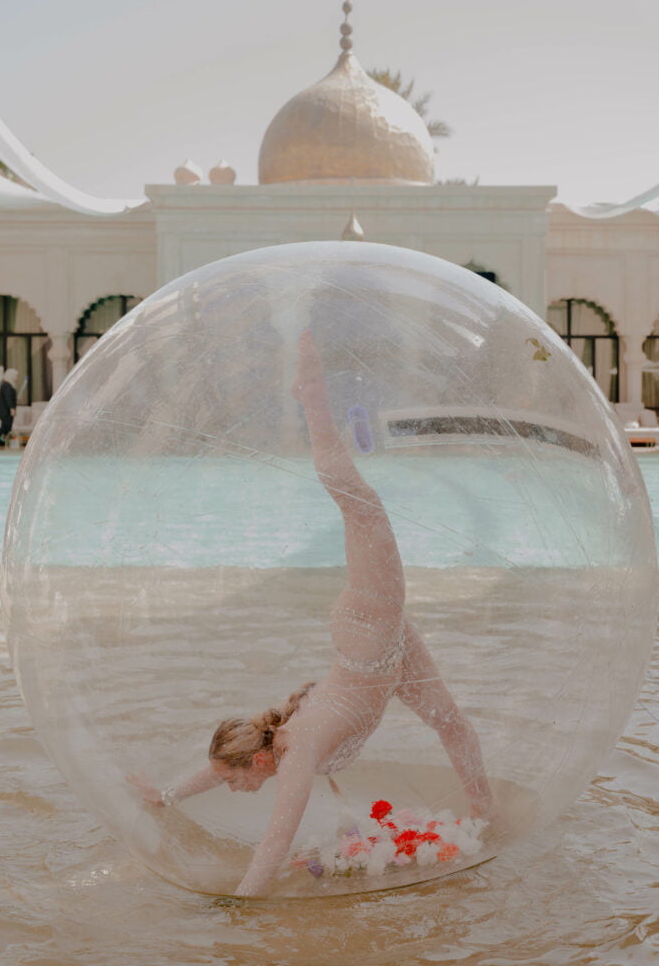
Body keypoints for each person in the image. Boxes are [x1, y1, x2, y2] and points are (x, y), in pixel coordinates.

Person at [128, 330, 492, 896]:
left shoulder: (290, 752)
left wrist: (243, 903)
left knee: (360, 505)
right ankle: (485, 814)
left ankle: (313, 397)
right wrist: (168, 796)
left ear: (258, 764)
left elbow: (274, 838)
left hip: (370, 633)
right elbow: (230, 776)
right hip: (385, 656)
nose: (232, 787)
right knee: (455, 726)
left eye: (232, 780)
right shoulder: (276, 751)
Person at [0, 368, 19, 446]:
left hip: (5, 410)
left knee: (7, 427)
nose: (16, 378)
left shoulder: (7, 385)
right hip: (5, 410)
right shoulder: (7, 385)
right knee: (6, 427)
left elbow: (9, 397)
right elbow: (8, 398)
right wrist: (12, 408)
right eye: (15, 376)